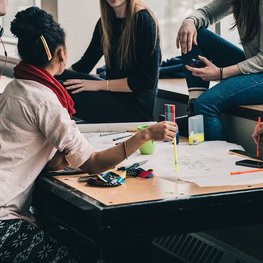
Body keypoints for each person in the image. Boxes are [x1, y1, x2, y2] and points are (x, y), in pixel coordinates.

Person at [0, 6, 177, 262]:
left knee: (72, 235)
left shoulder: (12, 89)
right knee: (87, 252)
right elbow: (94, 164)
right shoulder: (46, 101)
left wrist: (56, 159)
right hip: (5, 223)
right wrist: (145, 135)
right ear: (61, 53)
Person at [57, 0, 161, 123]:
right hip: (114, 96)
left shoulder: (144, 20)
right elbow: (84, 64)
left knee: (60, 88)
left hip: (135, 111)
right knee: (53, 77)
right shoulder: (105, 22)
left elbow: (146, 81)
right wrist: (52, 72)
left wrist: (96, 85)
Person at [176, 0, 263, 141]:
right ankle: (194, 112)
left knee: (205, 105)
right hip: (255, 68)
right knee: (196, 33)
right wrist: (189, 21)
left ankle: (220, 160)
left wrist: (221, 72)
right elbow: (207, 13)